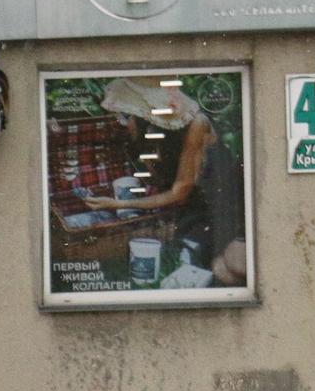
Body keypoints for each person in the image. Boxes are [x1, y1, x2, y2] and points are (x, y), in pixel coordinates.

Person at [81, 78, 248, 287]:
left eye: (126, 115)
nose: (123, 122)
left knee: (229, 265)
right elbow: (163, 179)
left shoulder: (197, 124)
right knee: (220, 270)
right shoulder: (154, 130)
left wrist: (119, 204)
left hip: (227, 210)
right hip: (196, 209)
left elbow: (180, 191)